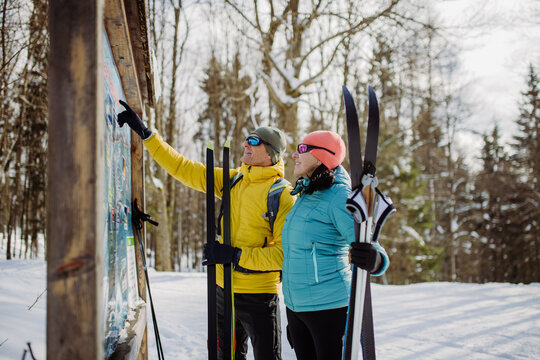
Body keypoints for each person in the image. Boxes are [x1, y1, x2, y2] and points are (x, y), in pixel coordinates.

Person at [117, 100, 295, 360]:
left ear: (271, 153)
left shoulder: (283, 195)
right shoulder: (234, 180)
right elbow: (183, 168)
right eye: (247, 139)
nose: (246, 143)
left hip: (259, 295)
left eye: (254, 141)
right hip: (223, 290)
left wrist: (234, 255)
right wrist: (147, 134)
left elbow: (282, 255)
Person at [281, 130, 389, 360]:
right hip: (297, 309)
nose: (294, 155)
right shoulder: (306, 193)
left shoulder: (340, 196)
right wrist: (295, 314)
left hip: (330, 309)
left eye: (302, 149)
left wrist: (376, 258)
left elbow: (368, 242)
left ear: (321, 156)